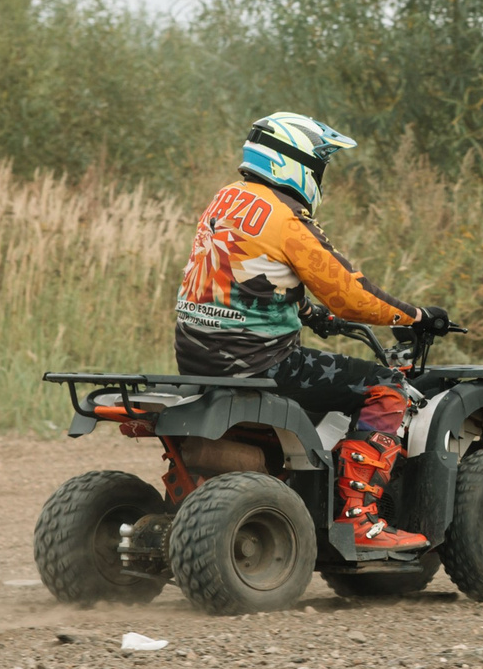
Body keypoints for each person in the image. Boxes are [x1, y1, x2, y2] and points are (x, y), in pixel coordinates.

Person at [174, 112, 452, 552]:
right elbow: (352, 295)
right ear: (293, 163)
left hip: (198, 356)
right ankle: (359, 518)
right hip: (263, 360)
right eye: (319, 165)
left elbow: (241, 277)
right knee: (388, 389)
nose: (321, 176)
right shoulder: (287, 220)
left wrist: (306, 310)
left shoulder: (225, 200)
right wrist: (415, 315)